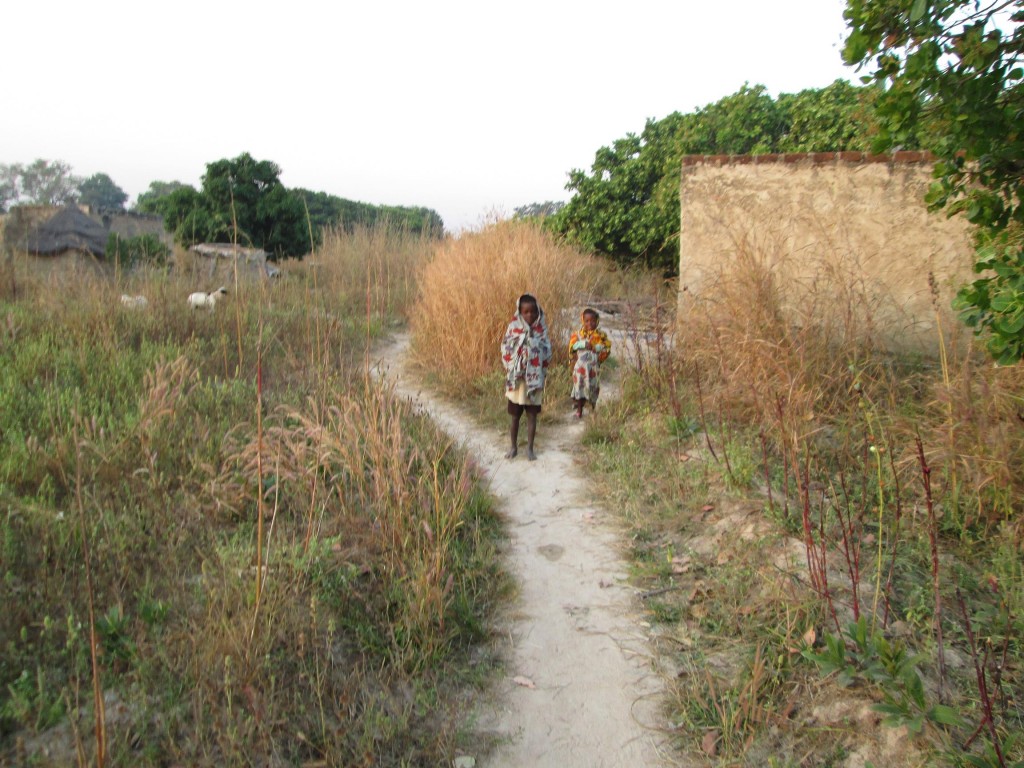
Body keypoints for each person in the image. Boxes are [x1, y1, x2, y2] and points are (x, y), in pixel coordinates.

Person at [500, 293, 552, 460]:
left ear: (538, 312)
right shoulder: (513, 327)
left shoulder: (541, 330)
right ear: (519, 312)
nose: (530, 315)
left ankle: (530, 448)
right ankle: (513, 447)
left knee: (532, 415)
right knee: (515, 416)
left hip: (534, 382)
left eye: (533, 312)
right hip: (518, 382)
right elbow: (506, 348)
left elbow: (547, 352)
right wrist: (521, 348)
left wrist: (533, 346)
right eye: (526, 312)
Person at [568, 307, 612, 419]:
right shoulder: (577, 334)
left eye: (592, 321)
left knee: (593, 387)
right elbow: (571, 348)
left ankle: (592, 409)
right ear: (583, 321)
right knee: (579, 387)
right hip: (580, 369)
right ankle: (579, 410)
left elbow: (607, 348)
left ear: (597, 321)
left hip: (593, 369)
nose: (590, 323)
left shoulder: (601, 336)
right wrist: (582, 344)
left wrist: (597, 348)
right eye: (587, 321)